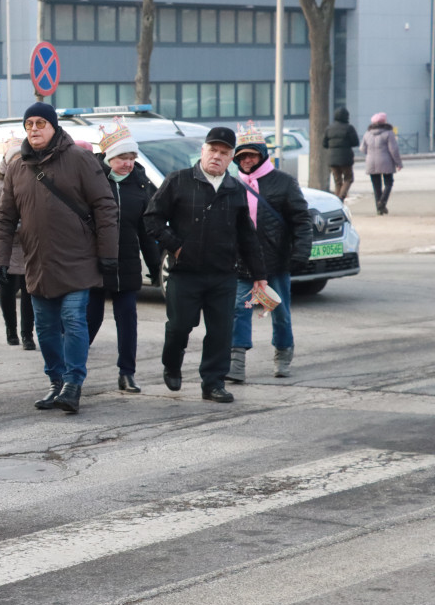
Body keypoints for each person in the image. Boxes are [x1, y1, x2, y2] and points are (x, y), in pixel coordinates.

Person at [0, 102, 119, 414]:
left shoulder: (80, 159)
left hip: (78, 260)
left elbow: (105, 206)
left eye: (40, 123)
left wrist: (108, 254)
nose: (34, 129)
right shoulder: (18, 167)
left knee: (73, 320)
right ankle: (56, 382)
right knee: (45, 328)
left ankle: (73, 383)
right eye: (29, 123)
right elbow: (4, 219)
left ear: (53, 127)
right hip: (38, 264)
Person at [144, 127, 267, 404]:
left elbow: (247, 235)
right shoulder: (178, 181)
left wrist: (260, 275)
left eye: (224, 153)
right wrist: (176, 246)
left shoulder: (235, 189)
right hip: (185, 273)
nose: (217, 156)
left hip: (222, 274)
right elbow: (151, 219)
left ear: (231, 158)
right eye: (212, 150)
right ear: (203, 151)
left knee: (221, 332)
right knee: (179, 326)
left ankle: (213, 382)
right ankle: (172, 364)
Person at [226, 122, 312, 382]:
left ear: (262, 154)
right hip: (242, 263)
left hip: (275, 261)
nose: (247, 160)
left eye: (251, 155)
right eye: (241, 156)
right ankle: (236, 363)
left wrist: (300, 254)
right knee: (239, 310)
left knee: (280, 312)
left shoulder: (283, 182)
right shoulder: (230, 185)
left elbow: (301, 220)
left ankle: (283, 353)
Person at [86, 118, 160, 394]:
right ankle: (74, 371)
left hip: (127, 265)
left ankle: (127, 373)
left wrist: (154, 267)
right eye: (121, 157)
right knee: (89, 320)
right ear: (109, 157)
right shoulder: (93, 181)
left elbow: (146, 231)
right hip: (95, 265)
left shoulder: (140, 186)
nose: (127, 163)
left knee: (127, 319)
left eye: (131, 157)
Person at [0, 136, 35, 350]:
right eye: (14, 158)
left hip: (29, 244)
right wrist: (8, 223)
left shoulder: (34, 176)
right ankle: (11, 330)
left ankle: (27, 334)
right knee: (7, 291)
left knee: (30, 293)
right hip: (5, 244)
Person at [359, 112, 403, 215]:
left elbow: (362, 148)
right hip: (386, 161)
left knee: (376, 186)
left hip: (371, 162)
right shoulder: (388, 132)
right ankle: (382, 203)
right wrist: (398, 163)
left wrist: (370, 153)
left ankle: (379, 209)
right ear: (384, 121)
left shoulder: (367, 133)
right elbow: (393, 149)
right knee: (389, 183)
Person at [322, 107, 359, 202]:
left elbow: (324, 144)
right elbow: (355, 142)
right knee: (348, 178)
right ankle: (341, 197)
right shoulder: (349, 128)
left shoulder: (329, 128)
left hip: (332, 158)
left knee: (337, 181)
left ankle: (336, 201)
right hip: (345, 158)